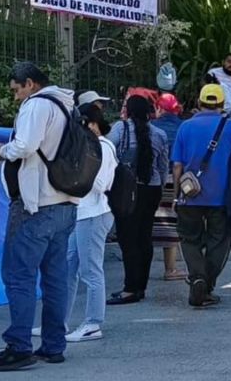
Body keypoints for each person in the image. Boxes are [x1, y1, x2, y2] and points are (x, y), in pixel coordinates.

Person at [0, 63, 77, 372]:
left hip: (35, 205)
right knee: (54, 278)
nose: (14, 97)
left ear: (30, 84)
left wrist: (0, 151)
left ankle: (19, 346)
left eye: (15, 90)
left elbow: (25, 146)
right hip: (64, 204)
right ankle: (53, 345)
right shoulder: (67, 106)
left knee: (18, 275)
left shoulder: (37, 105)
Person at [171, 84, 231, 308]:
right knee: (220, 240)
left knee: (189, 239)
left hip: (190, 196)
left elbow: (177, 166)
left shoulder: (185, 127)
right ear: (222, 104)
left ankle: (197, 277)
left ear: (199, 102)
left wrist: (177, 194)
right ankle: (207, 283)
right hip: (221, 197)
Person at [106, 95, 169, 305]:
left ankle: (130, 288)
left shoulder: (120, 129)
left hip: (127, 190)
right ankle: (140, 286)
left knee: (127, 238)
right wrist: (159, 188)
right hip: (151, 189)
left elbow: (107, 151)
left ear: (128, 110)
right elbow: (163, 166)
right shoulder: (159, 134)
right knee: (144, 237)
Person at [62, 104, 117, 343]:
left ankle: (93, 323)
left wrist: (77, 172)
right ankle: (57, 322)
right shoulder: (87, 146)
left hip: (95, 213)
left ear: (92, 123)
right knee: (68, 268)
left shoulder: (103, 146)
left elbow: (102, 183)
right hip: (81, 213)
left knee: (91, 270)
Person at [151, 94, 186, 281]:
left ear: (159, 108)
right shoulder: (183, 126)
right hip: (176, 177)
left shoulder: (153, 127)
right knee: (170, 224)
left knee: (151, 223)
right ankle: (171, 268)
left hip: (155, 178)